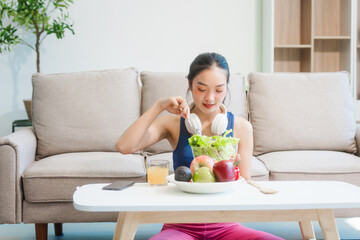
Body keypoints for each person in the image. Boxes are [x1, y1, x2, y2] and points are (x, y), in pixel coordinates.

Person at [116, 52, 283, 240]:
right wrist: (159, 106)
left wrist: (232, 170)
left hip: (226, 228)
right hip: (179, 227)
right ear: (190, 84)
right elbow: (124, 146)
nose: (210, 98)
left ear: (227, 89)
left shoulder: (242, 127)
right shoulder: (173, 124)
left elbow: (242, 187)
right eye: (201, 89)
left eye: (219, 90)